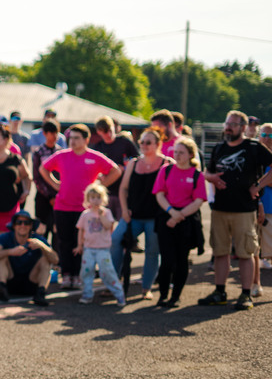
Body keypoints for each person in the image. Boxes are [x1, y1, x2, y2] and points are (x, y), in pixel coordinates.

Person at [199, 110, 272, 310]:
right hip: (220, 209)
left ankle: (246, 294)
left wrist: (258, 186)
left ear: (242, 127)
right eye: (227, 123)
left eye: (233, 123)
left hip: (245, 209)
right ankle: (220, 292)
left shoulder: (253, 147)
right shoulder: (219, 148)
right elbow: (208, 171)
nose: (228, 127)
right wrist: (211, 178)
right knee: (220, 251)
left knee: (246, 253)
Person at [39, 124, 121, 290]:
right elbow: (43, 169)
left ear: (86, 140)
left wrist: (99, 187)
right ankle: (67, 274)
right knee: (64, 242)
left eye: (77, 138)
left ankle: (78, 275)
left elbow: (116, 171)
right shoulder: (62, 155)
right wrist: (55, 184)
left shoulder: (94, 156)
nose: (73, 141)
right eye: (71, 138)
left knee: (82, 242)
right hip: (63, 206)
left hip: (85, 210)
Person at [112, 127, 171, 302]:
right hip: (133, 216)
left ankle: (146, 288)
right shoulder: (134, 163)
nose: (144, 145)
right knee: (116, 240)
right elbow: (123, 189)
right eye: (142, 142)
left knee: (153, 251)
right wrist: (124, 210)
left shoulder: (167, 164)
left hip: (155, 217)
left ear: (158, 144)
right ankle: (114, 283)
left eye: (148, 142)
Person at [153, 137, 207, 307]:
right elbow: (159, 194)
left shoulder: (197, 175)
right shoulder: (166, 170)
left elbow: (199, 200)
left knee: (181, 260)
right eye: (175, 152)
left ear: (191, 154)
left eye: (181, 152)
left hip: (186, 222)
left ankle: (175, 296)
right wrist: (171, 212)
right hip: (166, 219)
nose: (177, 155)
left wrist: (179, 216)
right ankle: (163, 294)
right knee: (167, 259)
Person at [0, 210, 59, 306]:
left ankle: (41, 293)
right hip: (10, 282)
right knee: (1, 257)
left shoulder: (37, 239)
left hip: (31, 283)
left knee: (45, 260)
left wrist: (42, 246)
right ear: (14, 225)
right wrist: (10, 252)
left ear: (31, 226)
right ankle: (1, 288)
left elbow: (55, 260)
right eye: (19, 222)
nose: (23, 226)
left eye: (27, 223)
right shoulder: (5, 237)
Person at [75, 182, 125, 306]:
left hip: (103, 249)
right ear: (88, 199)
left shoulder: (107, 213)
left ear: (103, 199)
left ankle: (119, 294)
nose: (96, 201)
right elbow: (81, 230)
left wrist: (101, 215)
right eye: (93, 198)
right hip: (88, 249)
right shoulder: (85, 214)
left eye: (98, 197)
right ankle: (87, 294)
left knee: (107, 271)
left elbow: (108, 226)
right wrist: (79, 245)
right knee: (86, 271)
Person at [91, 116, 139, 219]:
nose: (108, 134)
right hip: (106, 193)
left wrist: (126, 168)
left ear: (114, 127)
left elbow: (138, 161)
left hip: (124, 192)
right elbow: (93, 168)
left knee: (124, 225)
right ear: (99, 132)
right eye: (104, 132)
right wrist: (99, 175)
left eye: (110, 130)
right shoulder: (98, 147)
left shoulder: (125, 142)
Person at [31, 120, 61, 244]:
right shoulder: (39, 153)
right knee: (41, 229)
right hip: (43, 197)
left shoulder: (61, 152)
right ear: (45, 134)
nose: (54, 136)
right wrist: (49, 196)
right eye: (51, 133)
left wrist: (57, 195)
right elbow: (37, 177)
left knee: (57, 229)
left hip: (59, 197)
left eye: (56, 133)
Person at [257, 123, 272, 273]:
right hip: (255, 204)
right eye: (264, 134)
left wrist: (259, 183)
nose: (267, 138)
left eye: (271, 135)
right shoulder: (253, 153)